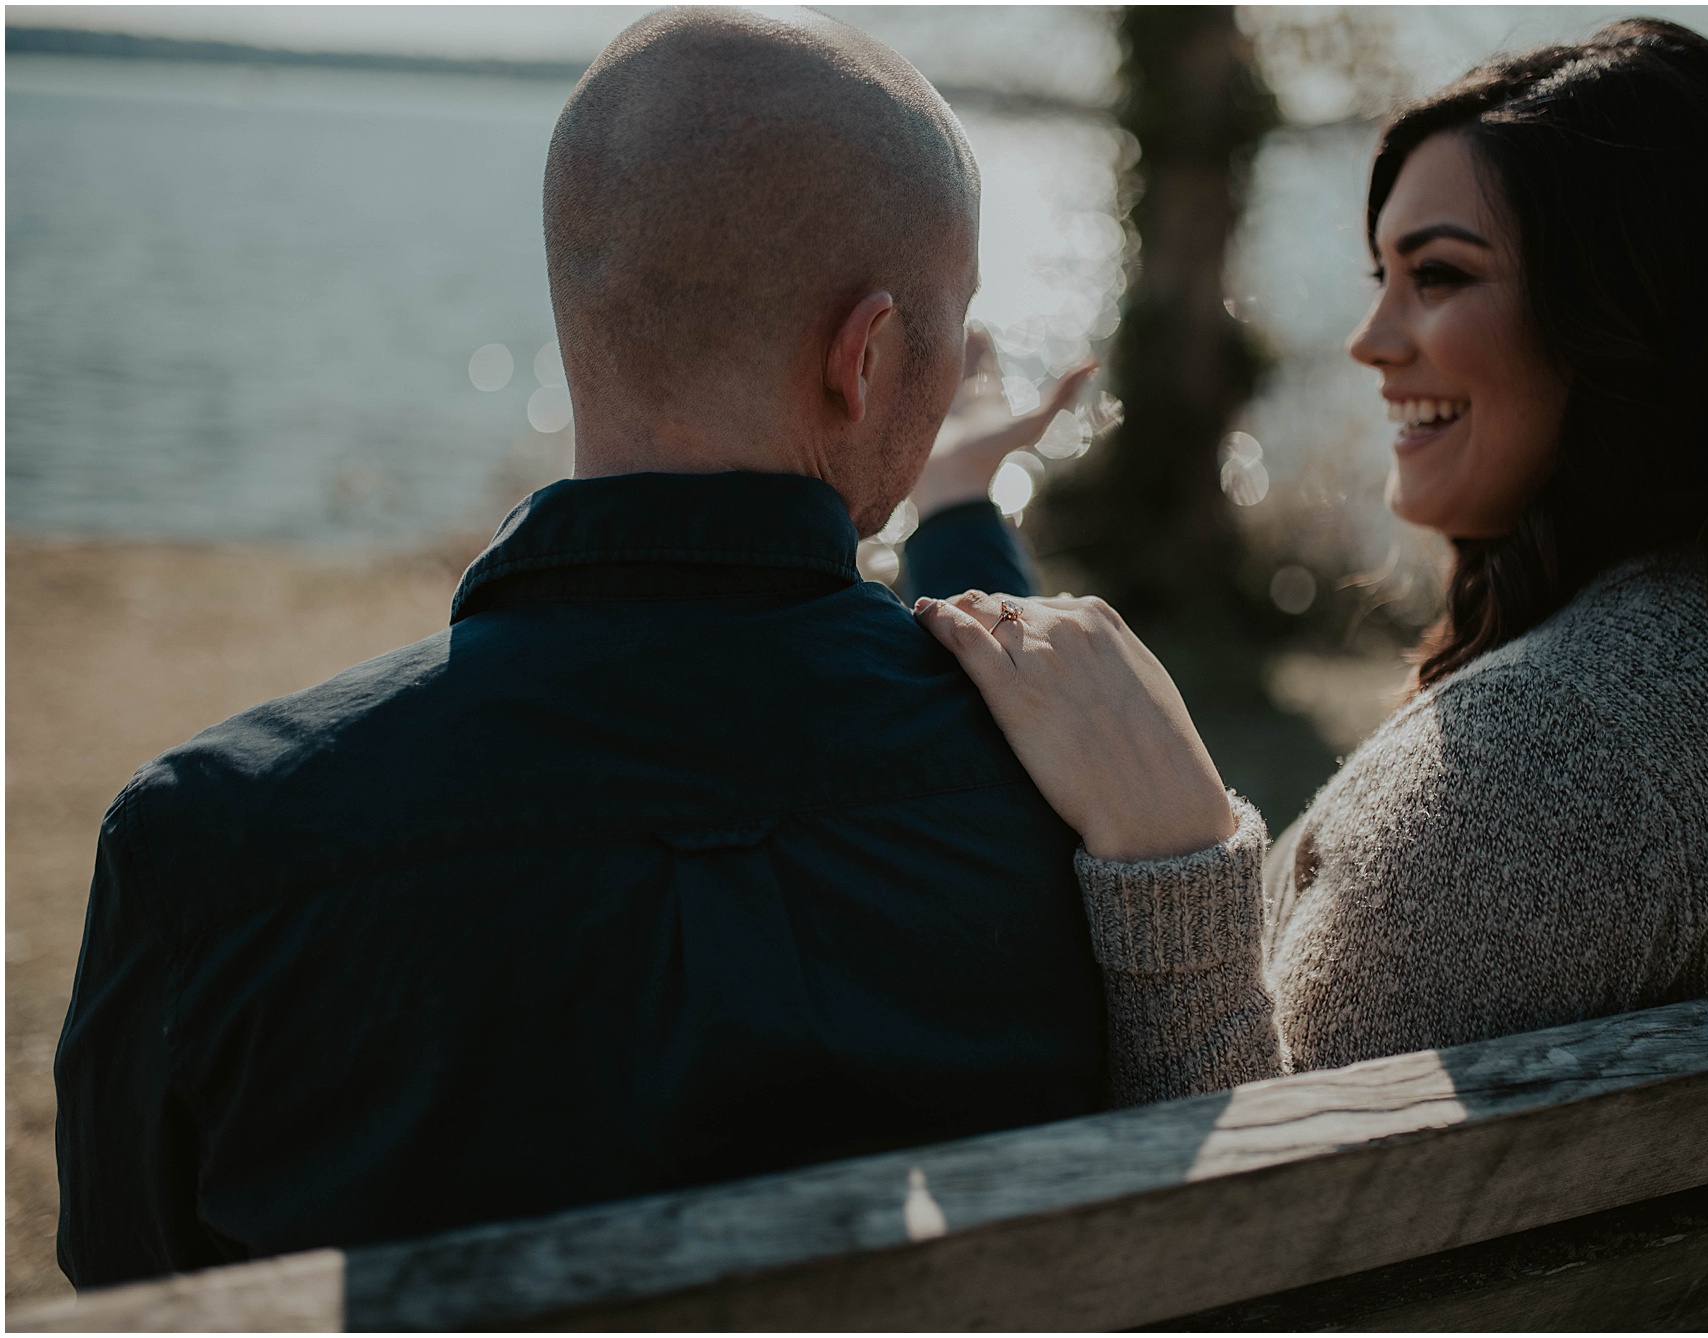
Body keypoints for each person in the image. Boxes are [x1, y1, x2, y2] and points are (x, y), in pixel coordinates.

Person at [55, 8, 1100, 1287]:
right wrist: (959, 523)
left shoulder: (210, 854)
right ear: (866, 353)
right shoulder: (1074, 796)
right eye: (955, 322)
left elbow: (129, 1292)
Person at [916, 18, 1708, 1106]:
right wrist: (960, 514)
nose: (1368, 338)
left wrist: (1169, 857)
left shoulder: (1545, 760)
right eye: (1382, 275)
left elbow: (1268, 1227)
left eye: (1438, 275)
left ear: (1627, 310)